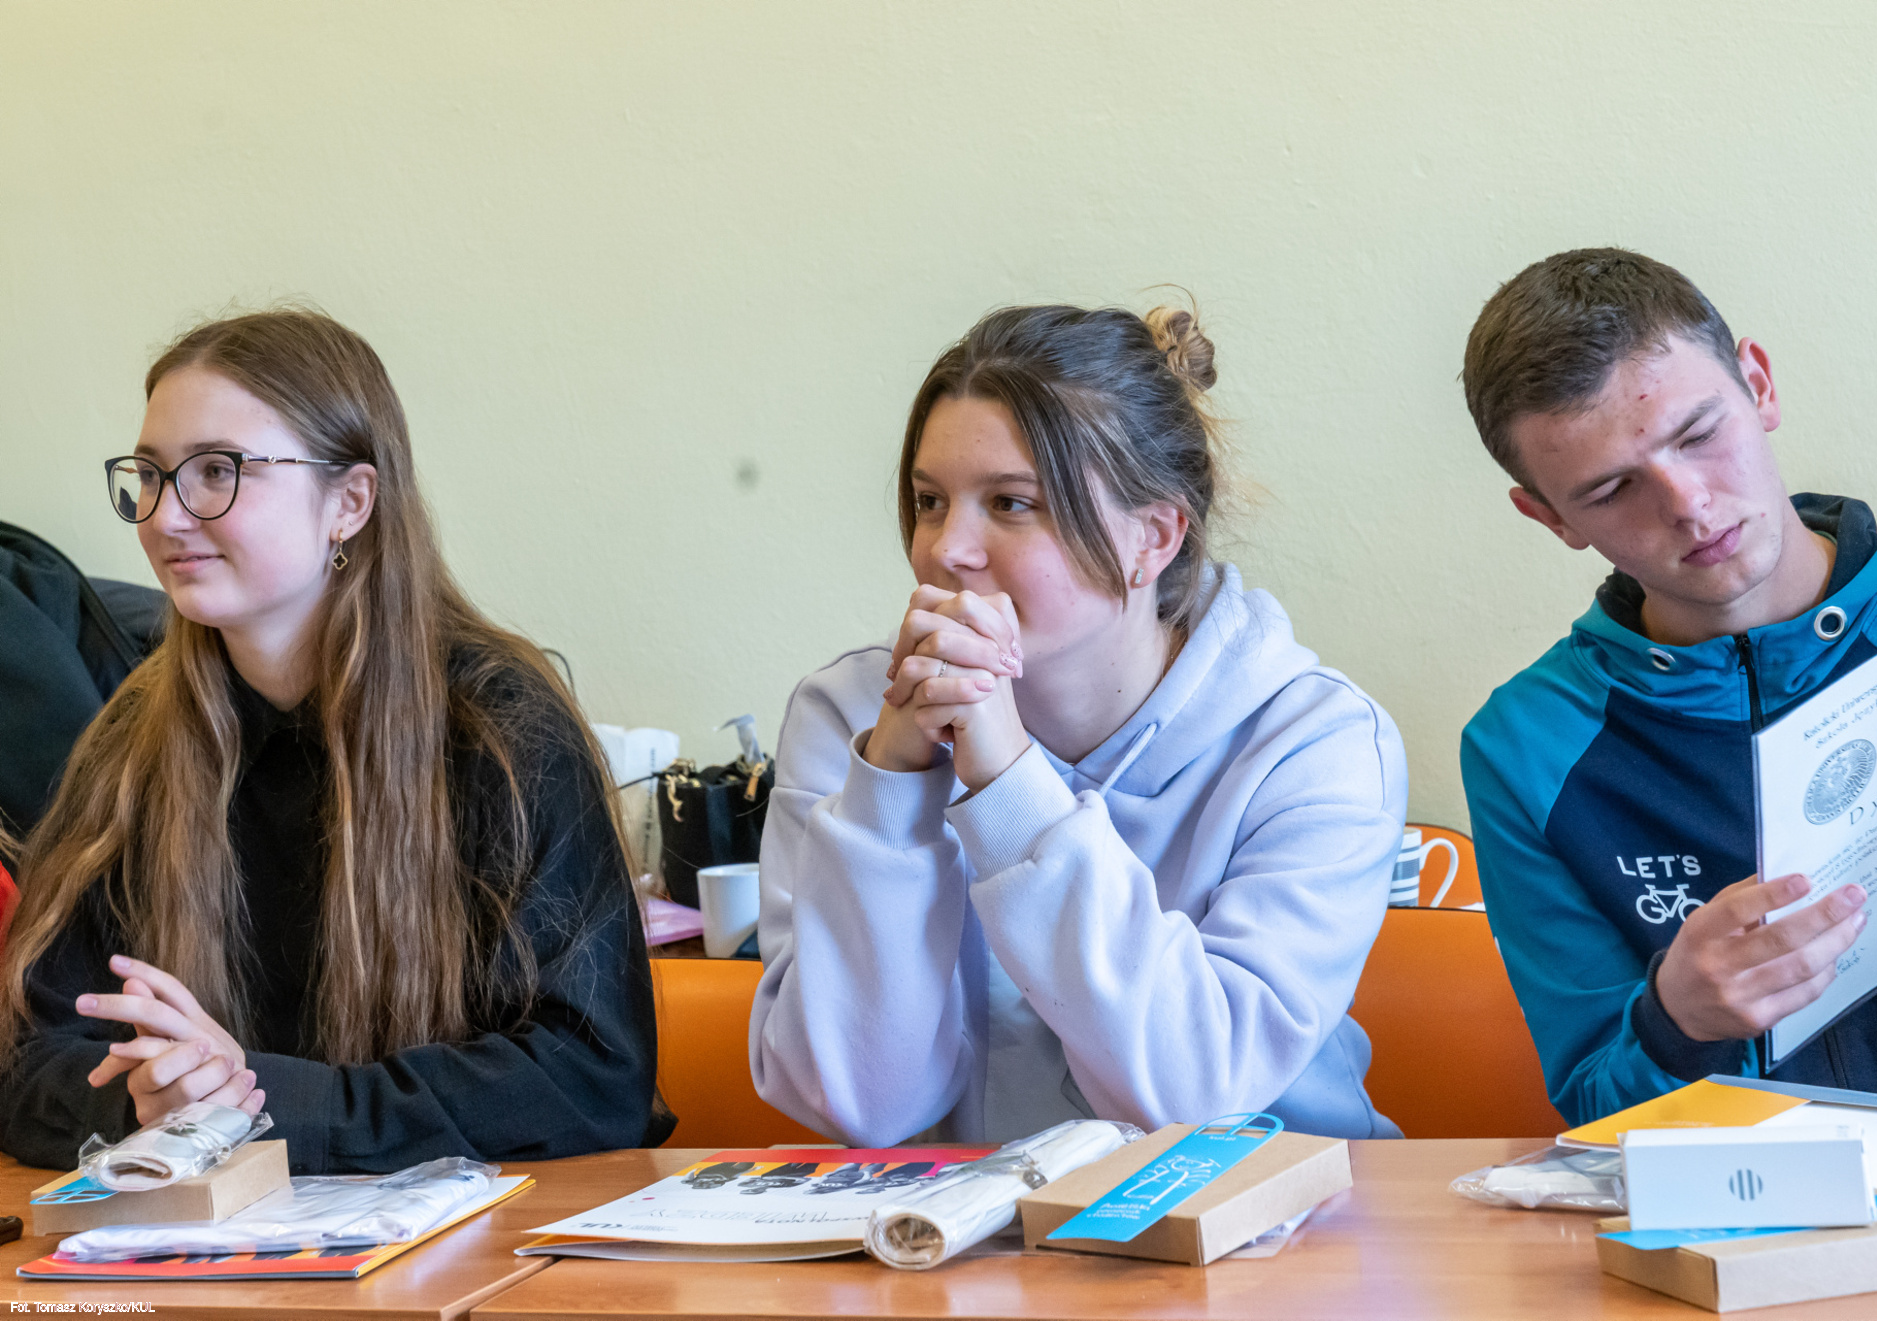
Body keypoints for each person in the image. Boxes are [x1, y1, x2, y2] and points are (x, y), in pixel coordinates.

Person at [0, 309, 664, 1172]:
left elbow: (589, 1075)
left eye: (216, 472)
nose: (165, 517)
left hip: (494, 1234)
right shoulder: (133, 741)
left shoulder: (501, 726)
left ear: (349, 502)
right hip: (229, 1234)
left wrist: (258, 1100)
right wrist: (147, 1095)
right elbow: (28, 1052)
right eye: (152, 477)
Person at [750, 302, 1407, 1146]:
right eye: (930, 500)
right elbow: (859, 1105)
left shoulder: (1316, 742)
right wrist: (891, 789)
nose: (946, 549)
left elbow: (1197, 1098)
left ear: (1153, 537)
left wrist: (1008, 786)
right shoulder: (849, 716)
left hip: (1267, 1208)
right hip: (957, 1220)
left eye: (1011, 503)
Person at [1458, 249, 1877, 1126]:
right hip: (1742, 1192)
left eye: (1699, 434)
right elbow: (1596, 1110)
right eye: (1612, 488)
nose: (1690, 506)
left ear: (1759, 385)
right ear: (1549, 516)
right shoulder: (1526, 745)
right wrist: (1678, 1025)